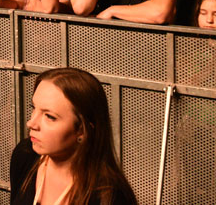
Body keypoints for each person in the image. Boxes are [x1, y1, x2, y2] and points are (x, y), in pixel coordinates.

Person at [11, 67, 136, 205]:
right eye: (33, 108)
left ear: (82, 130)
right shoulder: (25, 155)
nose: (31, 123)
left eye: (50, 117)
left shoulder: (110, 197)